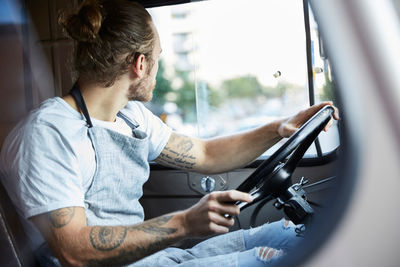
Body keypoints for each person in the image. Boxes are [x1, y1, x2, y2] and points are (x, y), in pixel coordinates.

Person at [0, 0, 339, 266]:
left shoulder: (131, 118)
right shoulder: (49, 134)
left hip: (150, 260)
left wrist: (279, 128)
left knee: (296, 236)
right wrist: (184, 224)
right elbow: (74, 252)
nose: (158, 67)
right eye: (158, 57)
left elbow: (206, 154)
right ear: (140, 64)